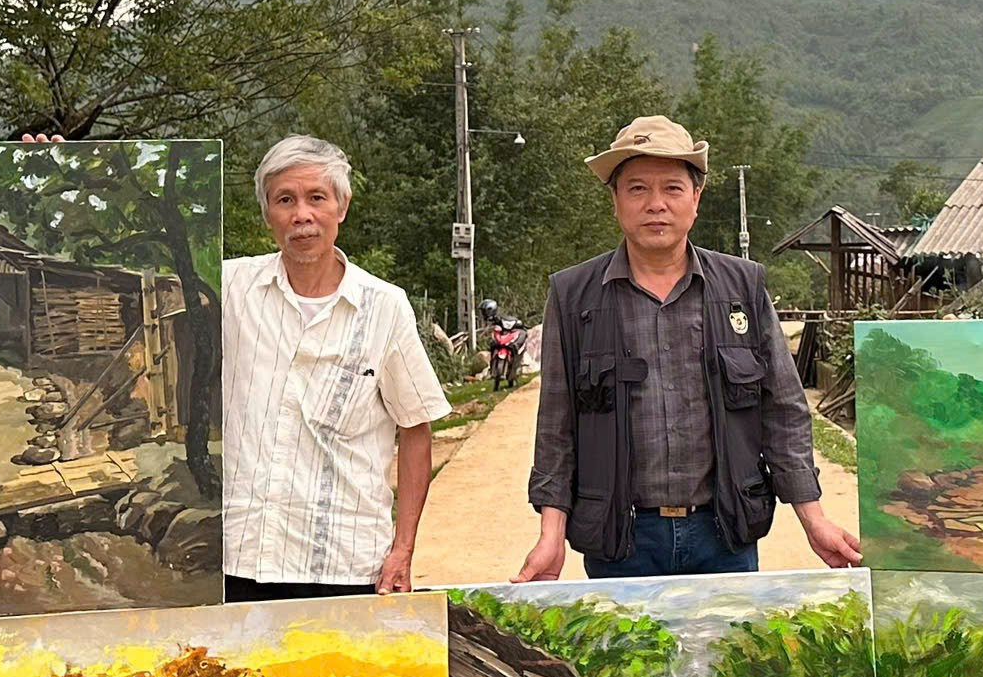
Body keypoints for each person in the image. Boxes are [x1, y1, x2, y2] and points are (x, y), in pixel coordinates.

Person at [518, 115, 859, 580]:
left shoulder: (743, 286)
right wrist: (550, 534)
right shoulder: (574, 295)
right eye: (637, 188)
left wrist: (813, 519)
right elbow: (557, 424)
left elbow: (783, 409)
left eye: (672, 189)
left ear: (695, 199)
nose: (656, 204)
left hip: (725, 533)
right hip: (622, 540)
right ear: (615, 200)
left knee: (728, 653)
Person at [222, 135, 449, 600]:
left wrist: (403, 548)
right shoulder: (229, 288)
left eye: (316, 198)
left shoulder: (385, 306)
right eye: (285, 199)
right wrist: (63, 163)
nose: (301, 215)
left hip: (342, 562)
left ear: (341, 208)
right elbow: (136, 279)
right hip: (237, 555)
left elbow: (416, 430)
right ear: (268, 214)